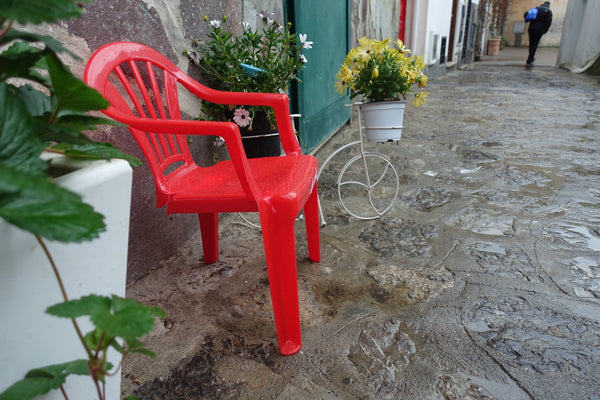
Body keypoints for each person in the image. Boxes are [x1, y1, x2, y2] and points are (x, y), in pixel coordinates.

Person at [525, 1, 553, 69]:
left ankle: (531, 57)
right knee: (535, 44)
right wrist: (545, 31)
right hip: (539, 30)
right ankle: (530, 60)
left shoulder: (536, 9)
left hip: (531, 28)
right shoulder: (548, 11)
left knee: (531, 44)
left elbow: (526, 14)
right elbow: (548, 22)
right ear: (548, 5)